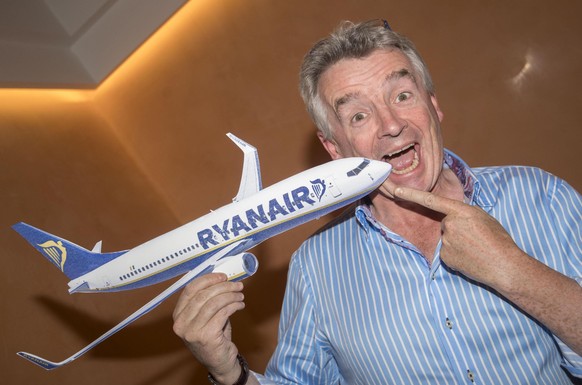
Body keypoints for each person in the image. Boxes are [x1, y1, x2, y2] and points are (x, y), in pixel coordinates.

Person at [172, 19, 582, 385]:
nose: (391, 125)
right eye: (358, 116)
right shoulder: (316, 269)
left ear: (433, 105)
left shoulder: (540, 195)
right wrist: (229, 372)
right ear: (335, 148)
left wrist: (513, 271)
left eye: (401, 95)